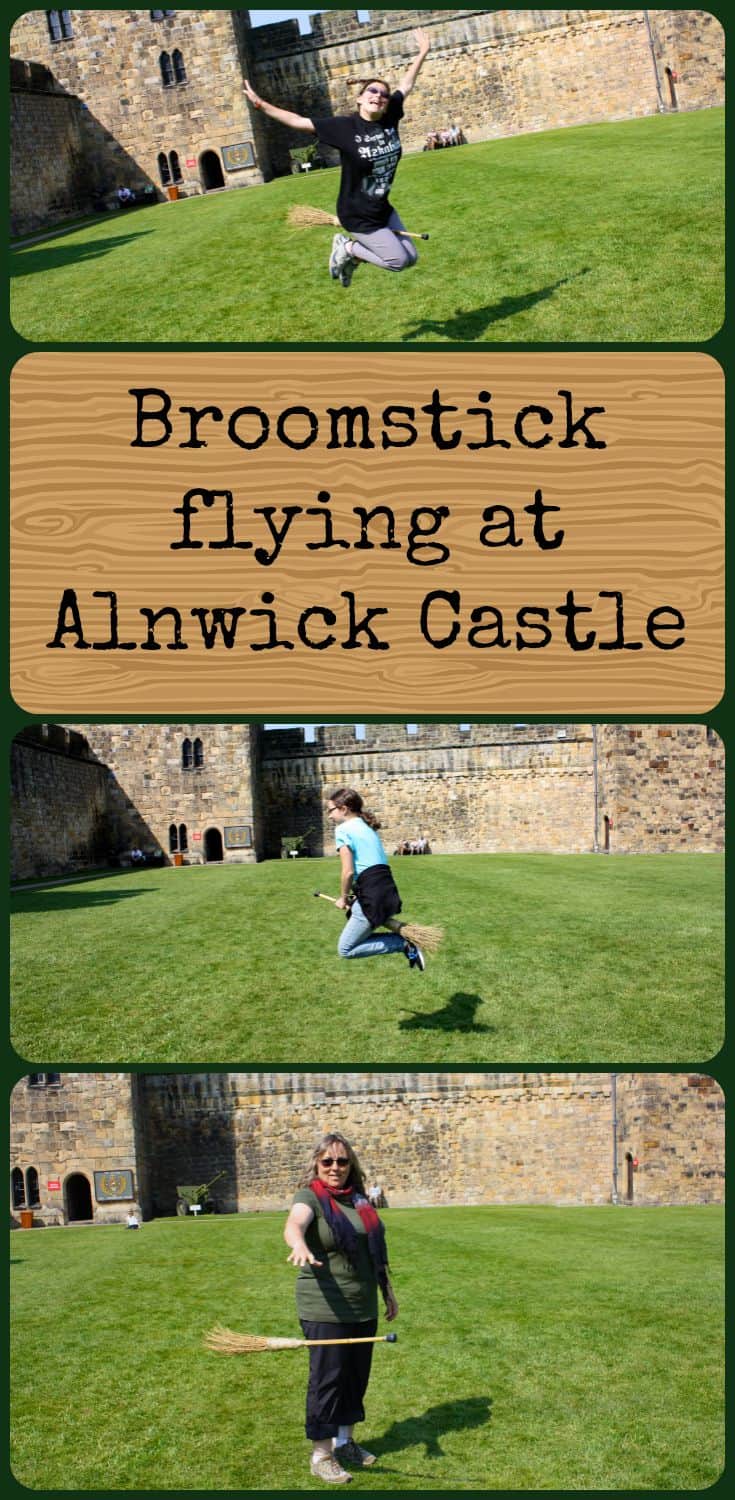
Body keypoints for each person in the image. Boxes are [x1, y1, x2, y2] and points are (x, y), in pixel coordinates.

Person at [243, 28, 431, 287]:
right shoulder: (344, 128)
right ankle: (348, 249)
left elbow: (406, 85)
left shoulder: (390, 117)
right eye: (372, 91)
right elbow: (298, 121)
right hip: (357, 214)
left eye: (384, 94)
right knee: (397, 261)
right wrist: (261, 106)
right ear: (359, 99)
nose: (379, 95)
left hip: (382, 207)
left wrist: (422, 52)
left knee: (411, 257)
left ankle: (352, 257)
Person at [284, 1131, 397, 1484]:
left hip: (362, 1305)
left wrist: (387, 1291)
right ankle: (321, 1454)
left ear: (352, 1165)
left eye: (342, 1161)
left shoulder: (360, 1200)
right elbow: (294, 1224)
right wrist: (300, 1244)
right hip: (325, 1306)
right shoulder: (310, 1197)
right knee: (327, 1380)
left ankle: (345, 1442)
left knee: (354, 1377)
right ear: (316, 1164)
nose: (335, 1167)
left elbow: (373, 1253)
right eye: (327, 1161)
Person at [326, 786, 425, 970]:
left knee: (345, 949)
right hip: (385, 890)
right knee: (357, 935)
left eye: (331, 810)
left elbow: (347, 871)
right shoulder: (367, 828)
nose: (329, 816)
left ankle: (405, 944)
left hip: (372, 893)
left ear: (344, 808)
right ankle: (405, 942)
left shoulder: (343, 829)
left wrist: (344, 898)